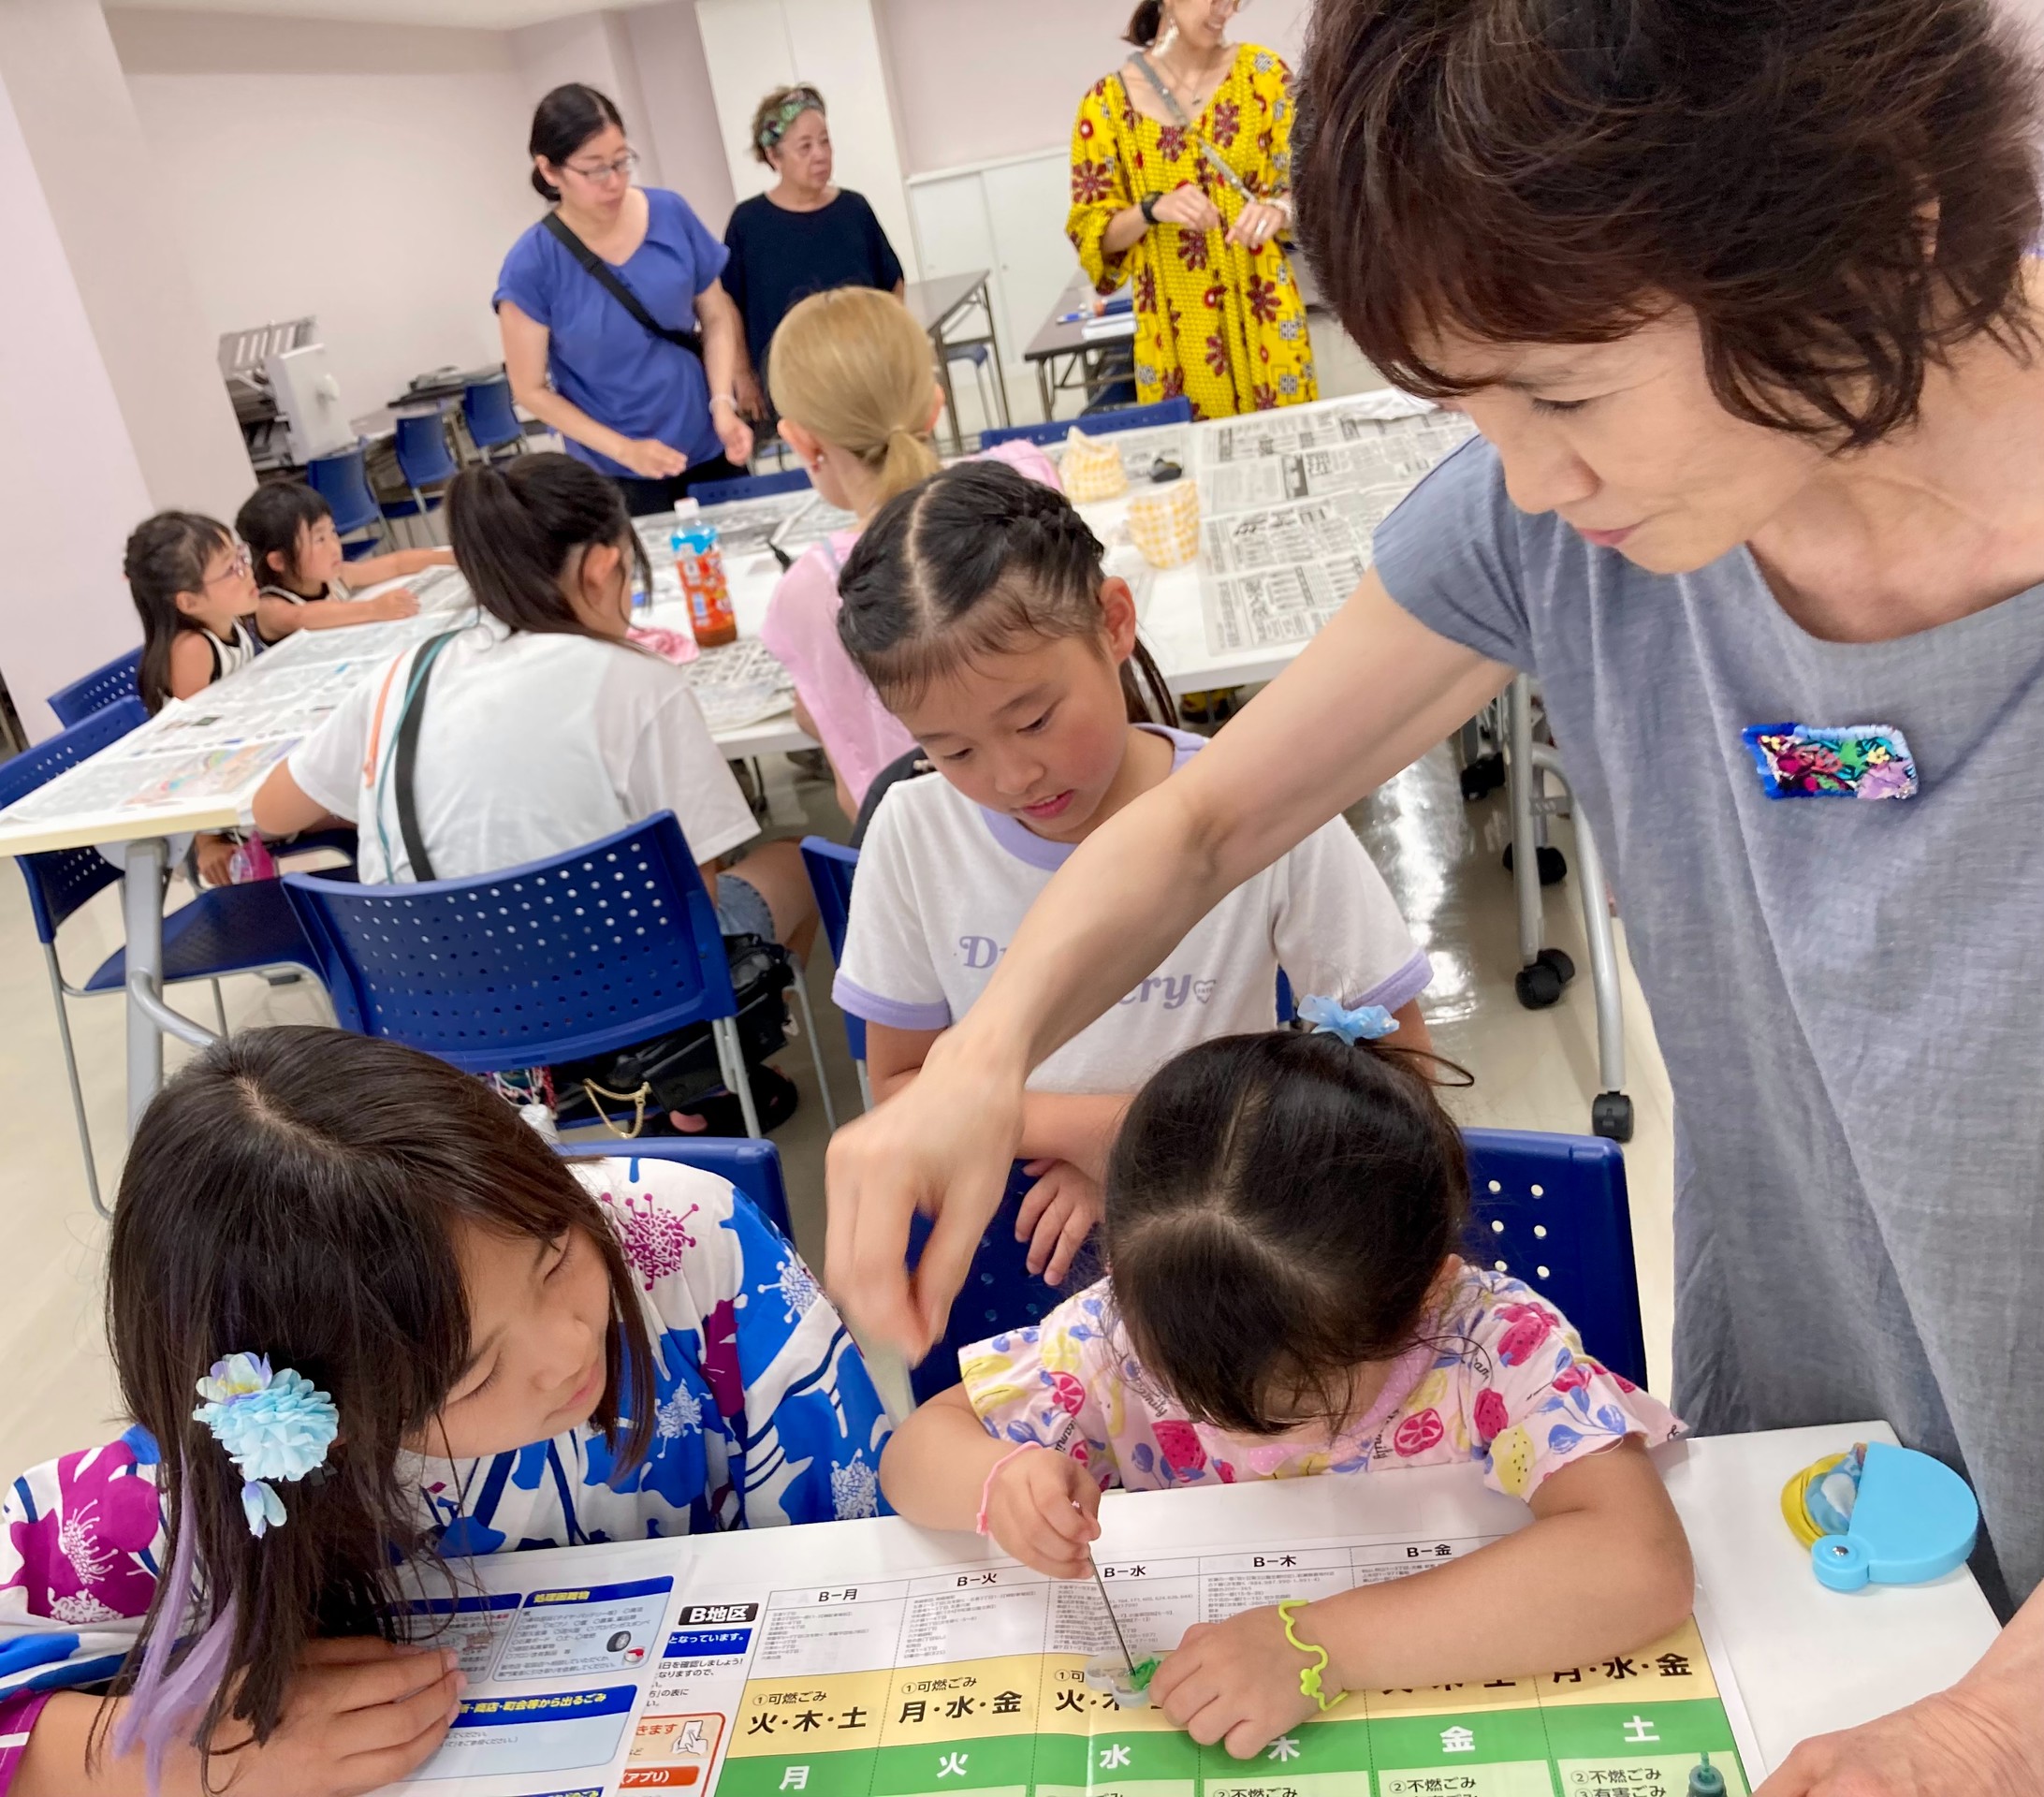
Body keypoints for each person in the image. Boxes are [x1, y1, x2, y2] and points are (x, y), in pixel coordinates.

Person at [825, 0, 2044, 1785]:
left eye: (1556, 393)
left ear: (1862, 231)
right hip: (1825, 1436)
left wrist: (1989, 1721)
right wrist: (987, 1056)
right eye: (1467, 407)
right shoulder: (1574, 514)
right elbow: (1205, 821)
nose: (1524, 479)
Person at [0, 1028, 891, 1797]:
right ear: (314, 1426)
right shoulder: (189, 1491)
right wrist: (185, 1760)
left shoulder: (688, 1241)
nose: (568, 1348)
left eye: (555, 1255)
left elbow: (876, 1551)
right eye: (473, 1374)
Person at [882, 1027, 1689, 1758]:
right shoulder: (1113, 1335)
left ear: (1424, 1301)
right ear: (1122, 1274)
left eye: (1287, 1410)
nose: (1223, 1428)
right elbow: (913, 1455)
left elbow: (1638, 1564)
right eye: (1183, 1388)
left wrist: (1325, 1648)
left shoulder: (1485, 1344)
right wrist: (997, 1480)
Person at [832, 460, 1431, 1283]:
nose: (1013, 777)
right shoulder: (914, 833)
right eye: (954, 750)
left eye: (1035, 720)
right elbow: (900, 1083)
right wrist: (1099, 1135)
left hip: (1235, 1236)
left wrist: (1145, 1156)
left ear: (1113, 622)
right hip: (1029, 1241)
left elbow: (1402, 1068)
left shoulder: (1260, 802)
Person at [252, 452, 819, 1130]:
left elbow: (270, 811)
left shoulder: (402, 677)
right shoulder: (639, 683)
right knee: (799, 860)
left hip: (443, 1021)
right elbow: (695, 900)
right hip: (628, 1005)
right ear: (602, 565)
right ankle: (701, 1090)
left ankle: (662, 1084)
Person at [756, 287, 1058, 822]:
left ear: (802, 442)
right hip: (1083, 814)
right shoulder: (1025, 478)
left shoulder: (808, 592)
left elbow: (858, 788)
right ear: (935, 405)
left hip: (935, 846)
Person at [496, 84, 754, 518]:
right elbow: (530, 389)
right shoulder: (531, 265)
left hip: (710, 444)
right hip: (617, 474)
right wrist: (625, 450)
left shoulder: (670, 213)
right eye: (595, 170)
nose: (614, 182)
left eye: (621, 162)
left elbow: (715, 315)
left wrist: (722, 405)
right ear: (550, 171)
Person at [1067, 0, 1314, 419]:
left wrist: (1278, 209)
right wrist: (1151, 209)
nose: (1225, 10)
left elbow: (1312, 186)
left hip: (1265, 313)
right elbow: (1092, 233)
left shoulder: (1264, 76)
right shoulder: (1105, 106)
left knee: (1287, 442)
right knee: (1190, 452)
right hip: (1173, 331)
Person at [721, 84, 905, 416]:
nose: (820, 155)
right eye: (804, 147)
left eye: (825, 141)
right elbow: (728, 305)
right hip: (791, 392)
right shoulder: (748, 223)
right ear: (773, 156)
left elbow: (892, 283)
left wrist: (893, 351)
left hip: (863, 382)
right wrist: (742, 376)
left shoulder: (854, 209)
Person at [124, 513, 266, 886]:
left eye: (241, 556)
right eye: (231, 569)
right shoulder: (193, 650)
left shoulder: (231, 623)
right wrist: (207, 839)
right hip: (212, 807)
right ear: (189, 601)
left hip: (244, 771)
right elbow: (192, 748)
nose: (247, 571)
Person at [236, 482, 449, 644]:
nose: (334, 546)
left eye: (332, 531)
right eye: (319, 539)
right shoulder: (270, 607)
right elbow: (303, 616)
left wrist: (453, 557)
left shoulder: (337, 577)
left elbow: (396, 563)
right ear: (279, 561)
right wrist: (373, 608)